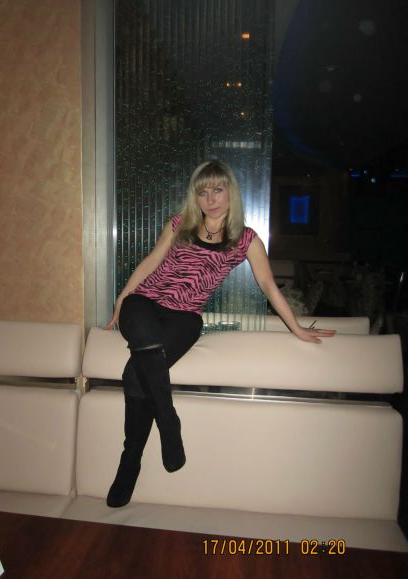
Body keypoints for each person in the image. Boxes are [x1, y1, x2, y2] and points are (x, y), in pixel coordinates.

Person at [105, 159, 335, 507]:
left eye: (217, 190)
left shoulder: (245, 239)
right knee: (137, 315)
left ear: (231, 193)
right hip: (144, 304)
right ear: (195, 197)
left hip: (184, 317)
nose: (210, 199)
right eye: (203, 192)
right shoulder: (179, 224)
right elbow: (151, 262)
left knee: (135, 373)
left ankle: (130, 461)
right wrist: (121, 301)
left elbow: (268, 285)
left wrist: (297, 327)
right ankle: (168, 419)